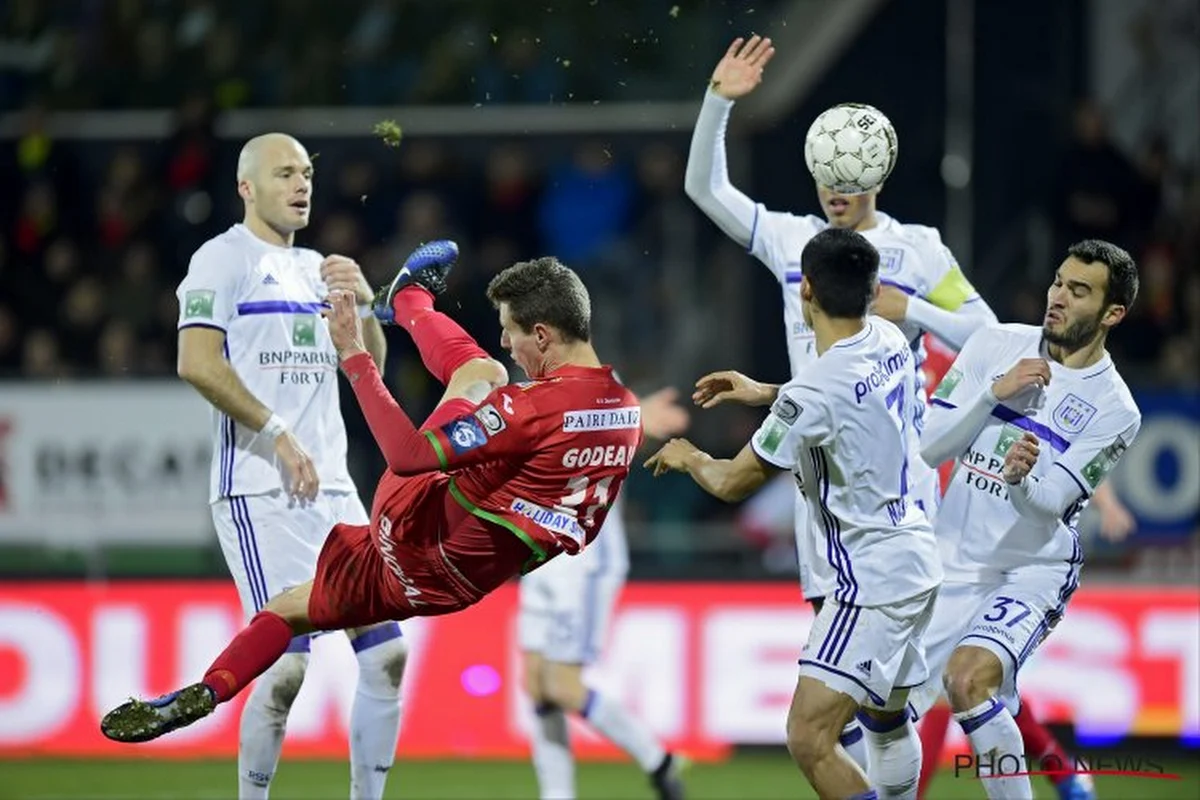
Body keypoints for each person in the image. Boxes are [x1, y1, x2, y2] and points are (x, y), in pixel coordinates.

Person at [686, 38, 1130, 797]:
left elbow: (994, 340)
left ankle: (1033, 773)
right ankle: (1022, 773)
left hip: (898, 495)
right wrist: (718, 101)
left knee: (861, 704)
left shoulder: (918, 252)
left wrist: (921, 337)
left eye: (850, 176)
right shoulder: (794, 240)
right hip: (817, 497)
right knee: (883, 709)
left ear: (879, 172)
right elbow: (708, 191)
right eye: (826, 174)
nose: (836, 188)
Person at [100, 248, 647, 762]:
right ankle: (207, 690)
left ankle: (407, 301)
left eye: (510, 331)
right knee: (292, 608)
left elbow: (409, 457)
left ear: (544, 335)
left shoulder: (530, 407)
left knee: (484, 373)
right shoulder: (627, 410)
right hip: (454, 585)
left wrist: (354, 354)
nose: (508, 342)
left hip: (416, 524)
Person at [646, 227, 942, 800]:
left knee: (809, 735)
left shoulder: (813, 394)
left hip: (871, 579)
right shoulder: (886, 338)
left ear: (805, 289)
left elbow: (733, 481)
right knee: (886, 717)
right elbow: (839, 399)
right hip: (918, 559)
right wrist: (765, 393)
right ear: (873, 288)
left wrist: (692, 457)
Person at [172, 132, 405, 800]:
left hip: (334, 488)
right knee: (284, 670)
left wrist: (365, 307)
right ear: (247, 187)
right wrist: (276, 432)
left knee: (388, 654)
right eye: (283, 174)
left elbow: (371, 373)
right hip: (259, 488)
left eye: (305, 173)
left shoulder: (319, 269)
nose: (301, 185)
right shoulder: (220, 259)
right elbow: (196, 362)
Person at [909, 240, 1142, 800]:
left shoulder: (1116, 409)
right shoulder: (995, 344)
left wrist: (1021, 481)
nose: (1058, 297)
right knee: (880, 716)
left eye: (1078, 291)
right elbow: (929, 447)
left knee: (968, 680)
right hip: (952, 562)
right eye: (1058, 281)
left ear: (1112, 314)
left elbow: (1050, 502)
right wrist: (994, 393)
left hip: (1031, 569)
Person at [520, 388, 690, 800]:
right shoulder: (522, 385)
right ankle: (556, 794)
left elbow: (603, 438)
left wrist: (632, 416)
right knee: (536, 683)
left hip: (584, 559)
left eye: (515, 328)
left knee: (562, 685)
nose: (508, 339)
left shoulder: (599, 387)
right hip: (540, 552)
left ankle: (658, 760)